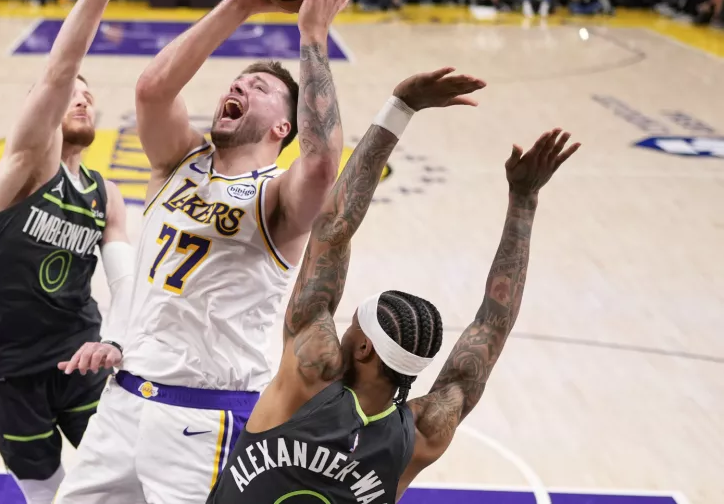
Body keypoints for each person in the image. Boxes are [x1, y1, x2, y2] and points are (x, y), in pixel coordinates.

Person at [56, 0, 363, 503]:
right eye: (238, 83)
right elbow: (152, 90)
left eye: (261, 89)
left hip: (204, 422)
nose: (240, 87)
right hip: (123, 403)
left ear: (282, 129)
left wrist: (312, 36)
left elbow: (321, 162)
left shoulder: (276, 198)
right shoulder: (178, 162)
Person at [207, 95, 580, 502]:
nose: (343, 330)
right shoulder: (423, 433)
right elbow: (492, 326)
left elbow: (332, 230)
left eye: (353, 326)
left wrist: (400, 109)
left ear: (364, 346)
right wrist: (523, 203)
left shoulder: (310, 377)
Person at [0, 0, 169, 503]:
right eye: (69, 96)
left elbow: (126, 282)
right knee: (46, 493)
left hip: (78, 357)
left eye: (89, 97)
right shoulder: (23, 170)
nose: (81, 99)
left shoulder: (106, 194)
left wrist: (120, 338)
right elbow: (58, 70)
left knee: (128, 484)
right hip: (9, 369)